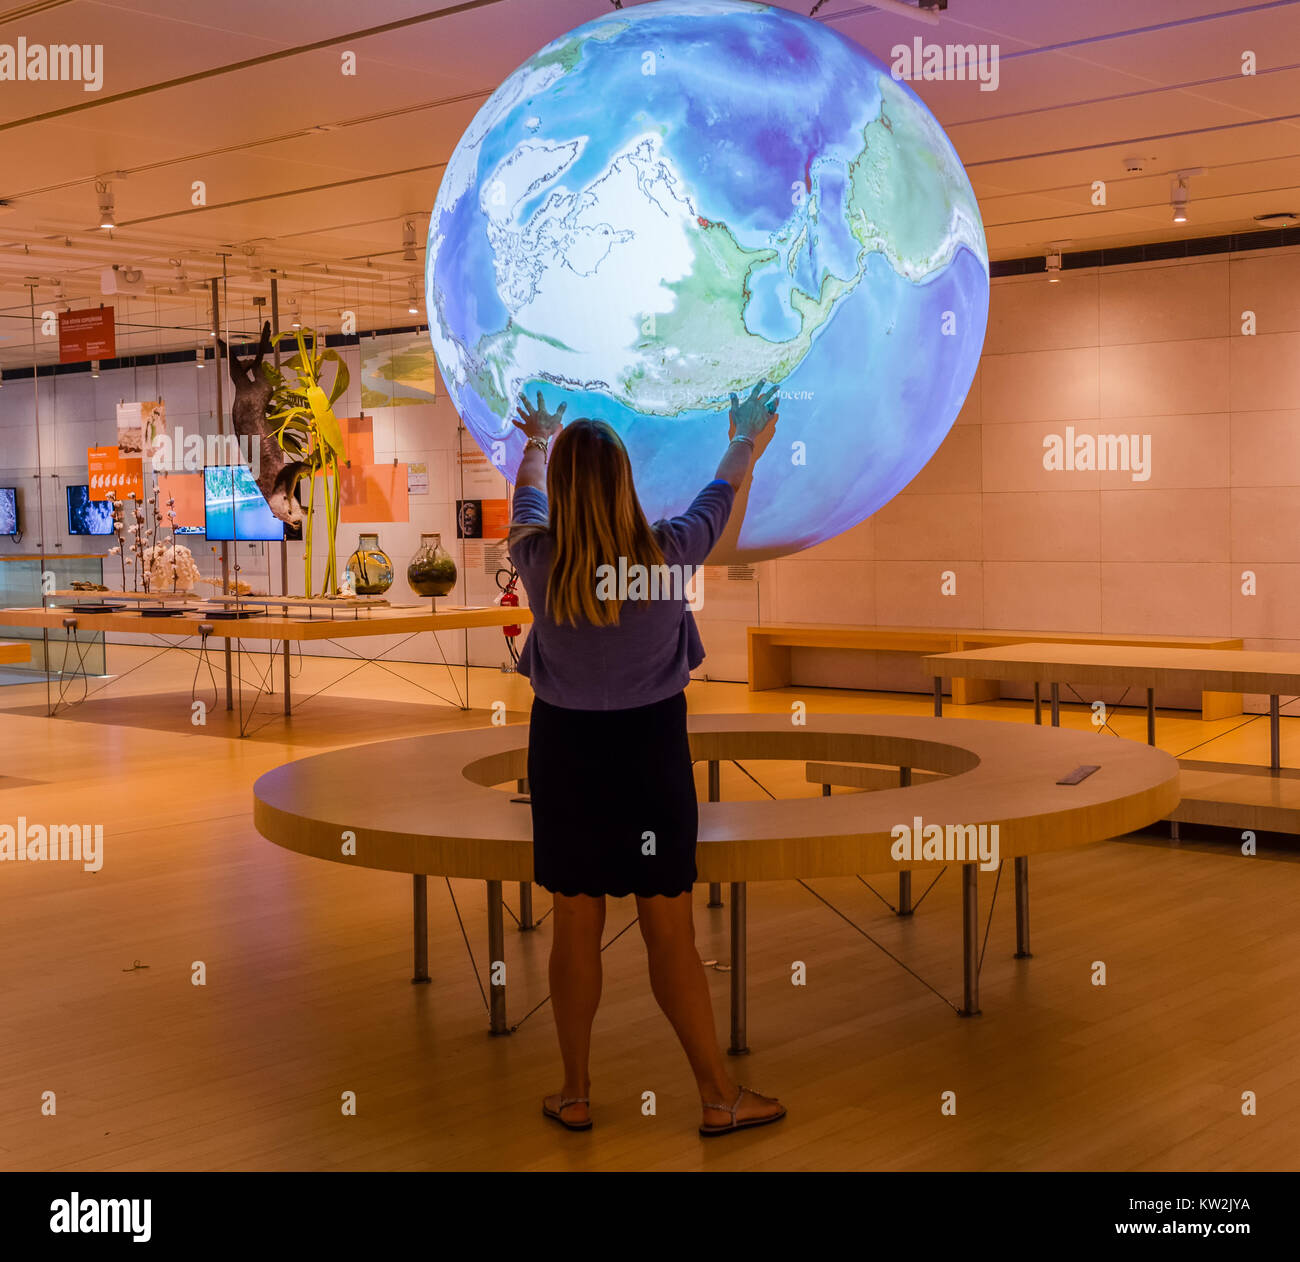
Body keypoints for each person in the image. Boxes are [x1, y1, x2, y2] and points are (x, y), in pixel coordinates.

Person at [508, 382, 787, 1138]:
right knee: (670, 932)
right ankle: (716, 1097)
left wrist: (538, 438)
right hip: (649, 755)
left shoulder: (536, 558)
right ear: (626, 481)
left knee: (575, 927)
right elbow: (721, 493)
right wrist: (747, 435)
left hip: (564, 757)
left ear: (565, 489)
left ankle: (574, 1093)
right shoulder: (668, 553)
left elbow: (526, 495)